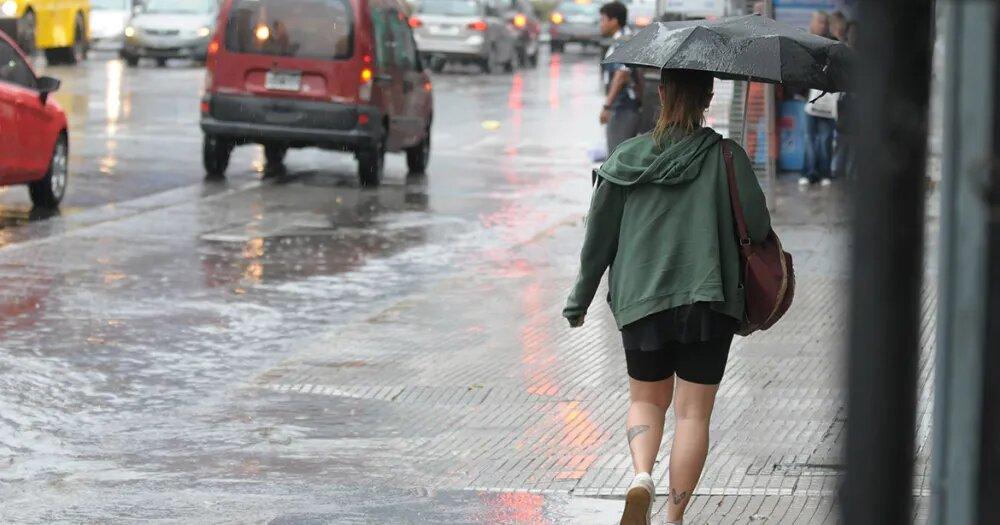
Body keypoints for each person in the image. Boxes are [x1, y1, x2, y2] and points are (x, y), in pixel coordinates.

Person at [564, 68, 771, 525]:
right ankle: (674, 516)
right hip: (708, 300)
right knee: (693, 415)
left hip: (641, 301)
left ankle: (641, 476)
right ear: (709, 97)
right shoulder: (727, 156)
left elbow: (597, 239)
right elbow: (757, 228)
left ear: (660, 94)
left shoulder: (626, 158)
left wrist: (578, 302)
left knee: (645, 400)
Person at [599, 2, 641, 155]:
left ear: (614, 21)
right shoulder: (622, 38)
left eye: (603, 20)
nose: (600, 24)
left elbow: (621, 74)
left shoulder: (623, 41)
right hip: (624, 107)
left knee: (617, 157)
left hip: (623, 108)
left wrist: (607, 106)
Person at [801, 10, 836, 186]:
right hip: (807, 97)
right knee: (808, 138)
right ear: (813, 23)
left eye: (824, 22)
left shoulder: (832, 43)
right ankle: (809, 172)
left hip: (827, 98)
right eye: (819, 22)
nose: (821, 25)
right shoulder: (803, 39)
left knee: (825, 139)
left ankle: (825, 173)